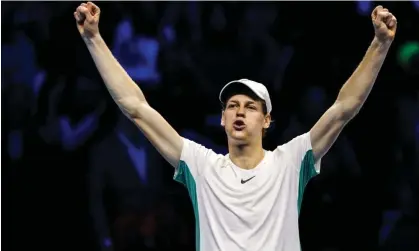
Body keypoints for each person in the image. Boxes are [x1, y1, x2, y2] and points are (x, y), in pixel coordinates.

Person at [74, 2, 397, 250]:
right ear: (222, 119)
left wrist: (380, 45)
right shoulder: (200, 164)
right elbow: (137, 108)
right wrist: (93, 39)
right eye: (232, 106)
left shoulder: (290, 160)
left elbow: (343, 108)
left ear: (267, 120)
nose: (240, 111)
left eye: (250, 106)